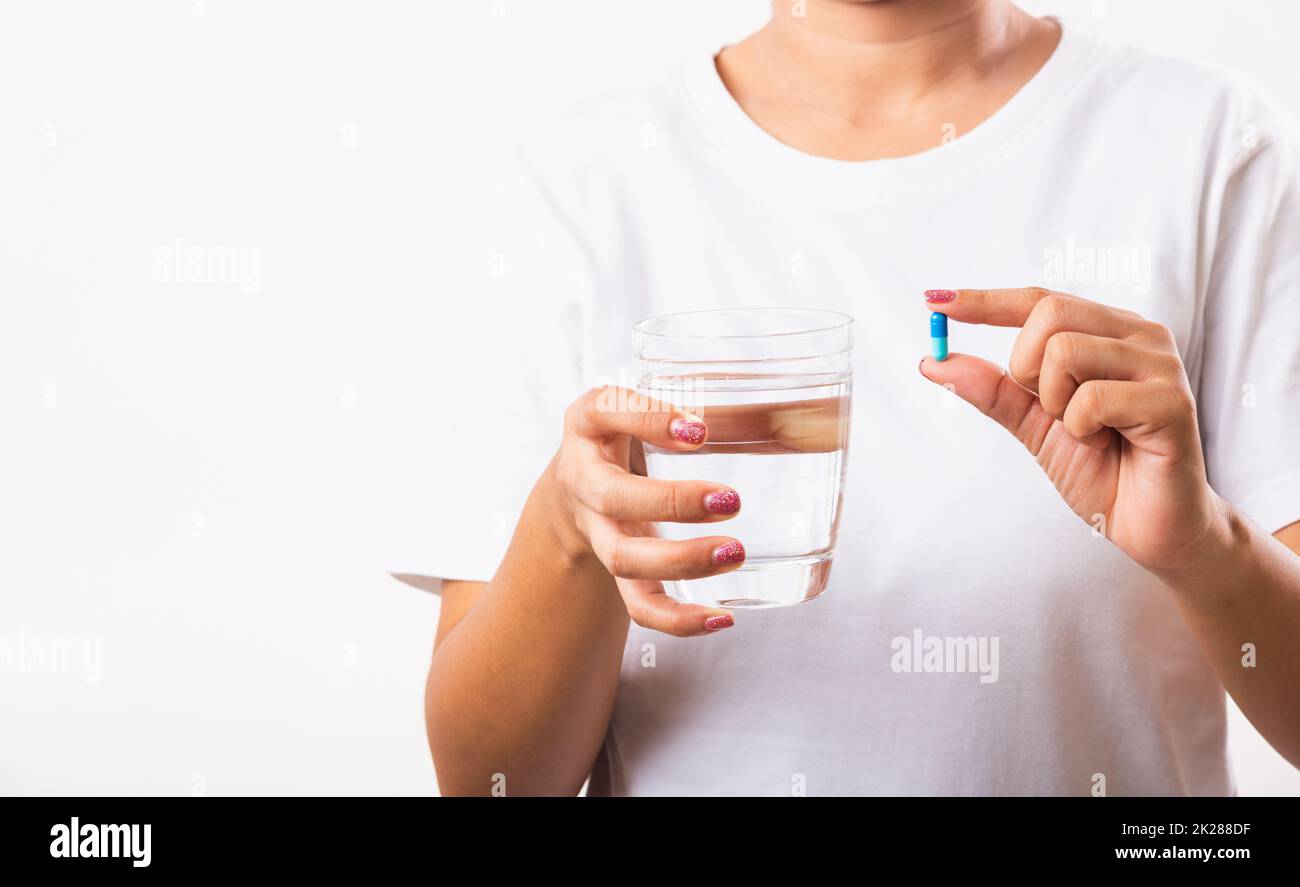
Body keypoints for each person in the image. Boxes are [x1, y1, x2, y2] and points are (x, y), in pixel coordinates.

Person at [391, 0, 1300, 795]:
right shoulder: (575, 187)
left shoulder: (1208, 146)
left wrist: (1206, 548)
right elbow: (489, 785)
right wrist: (567, 531)